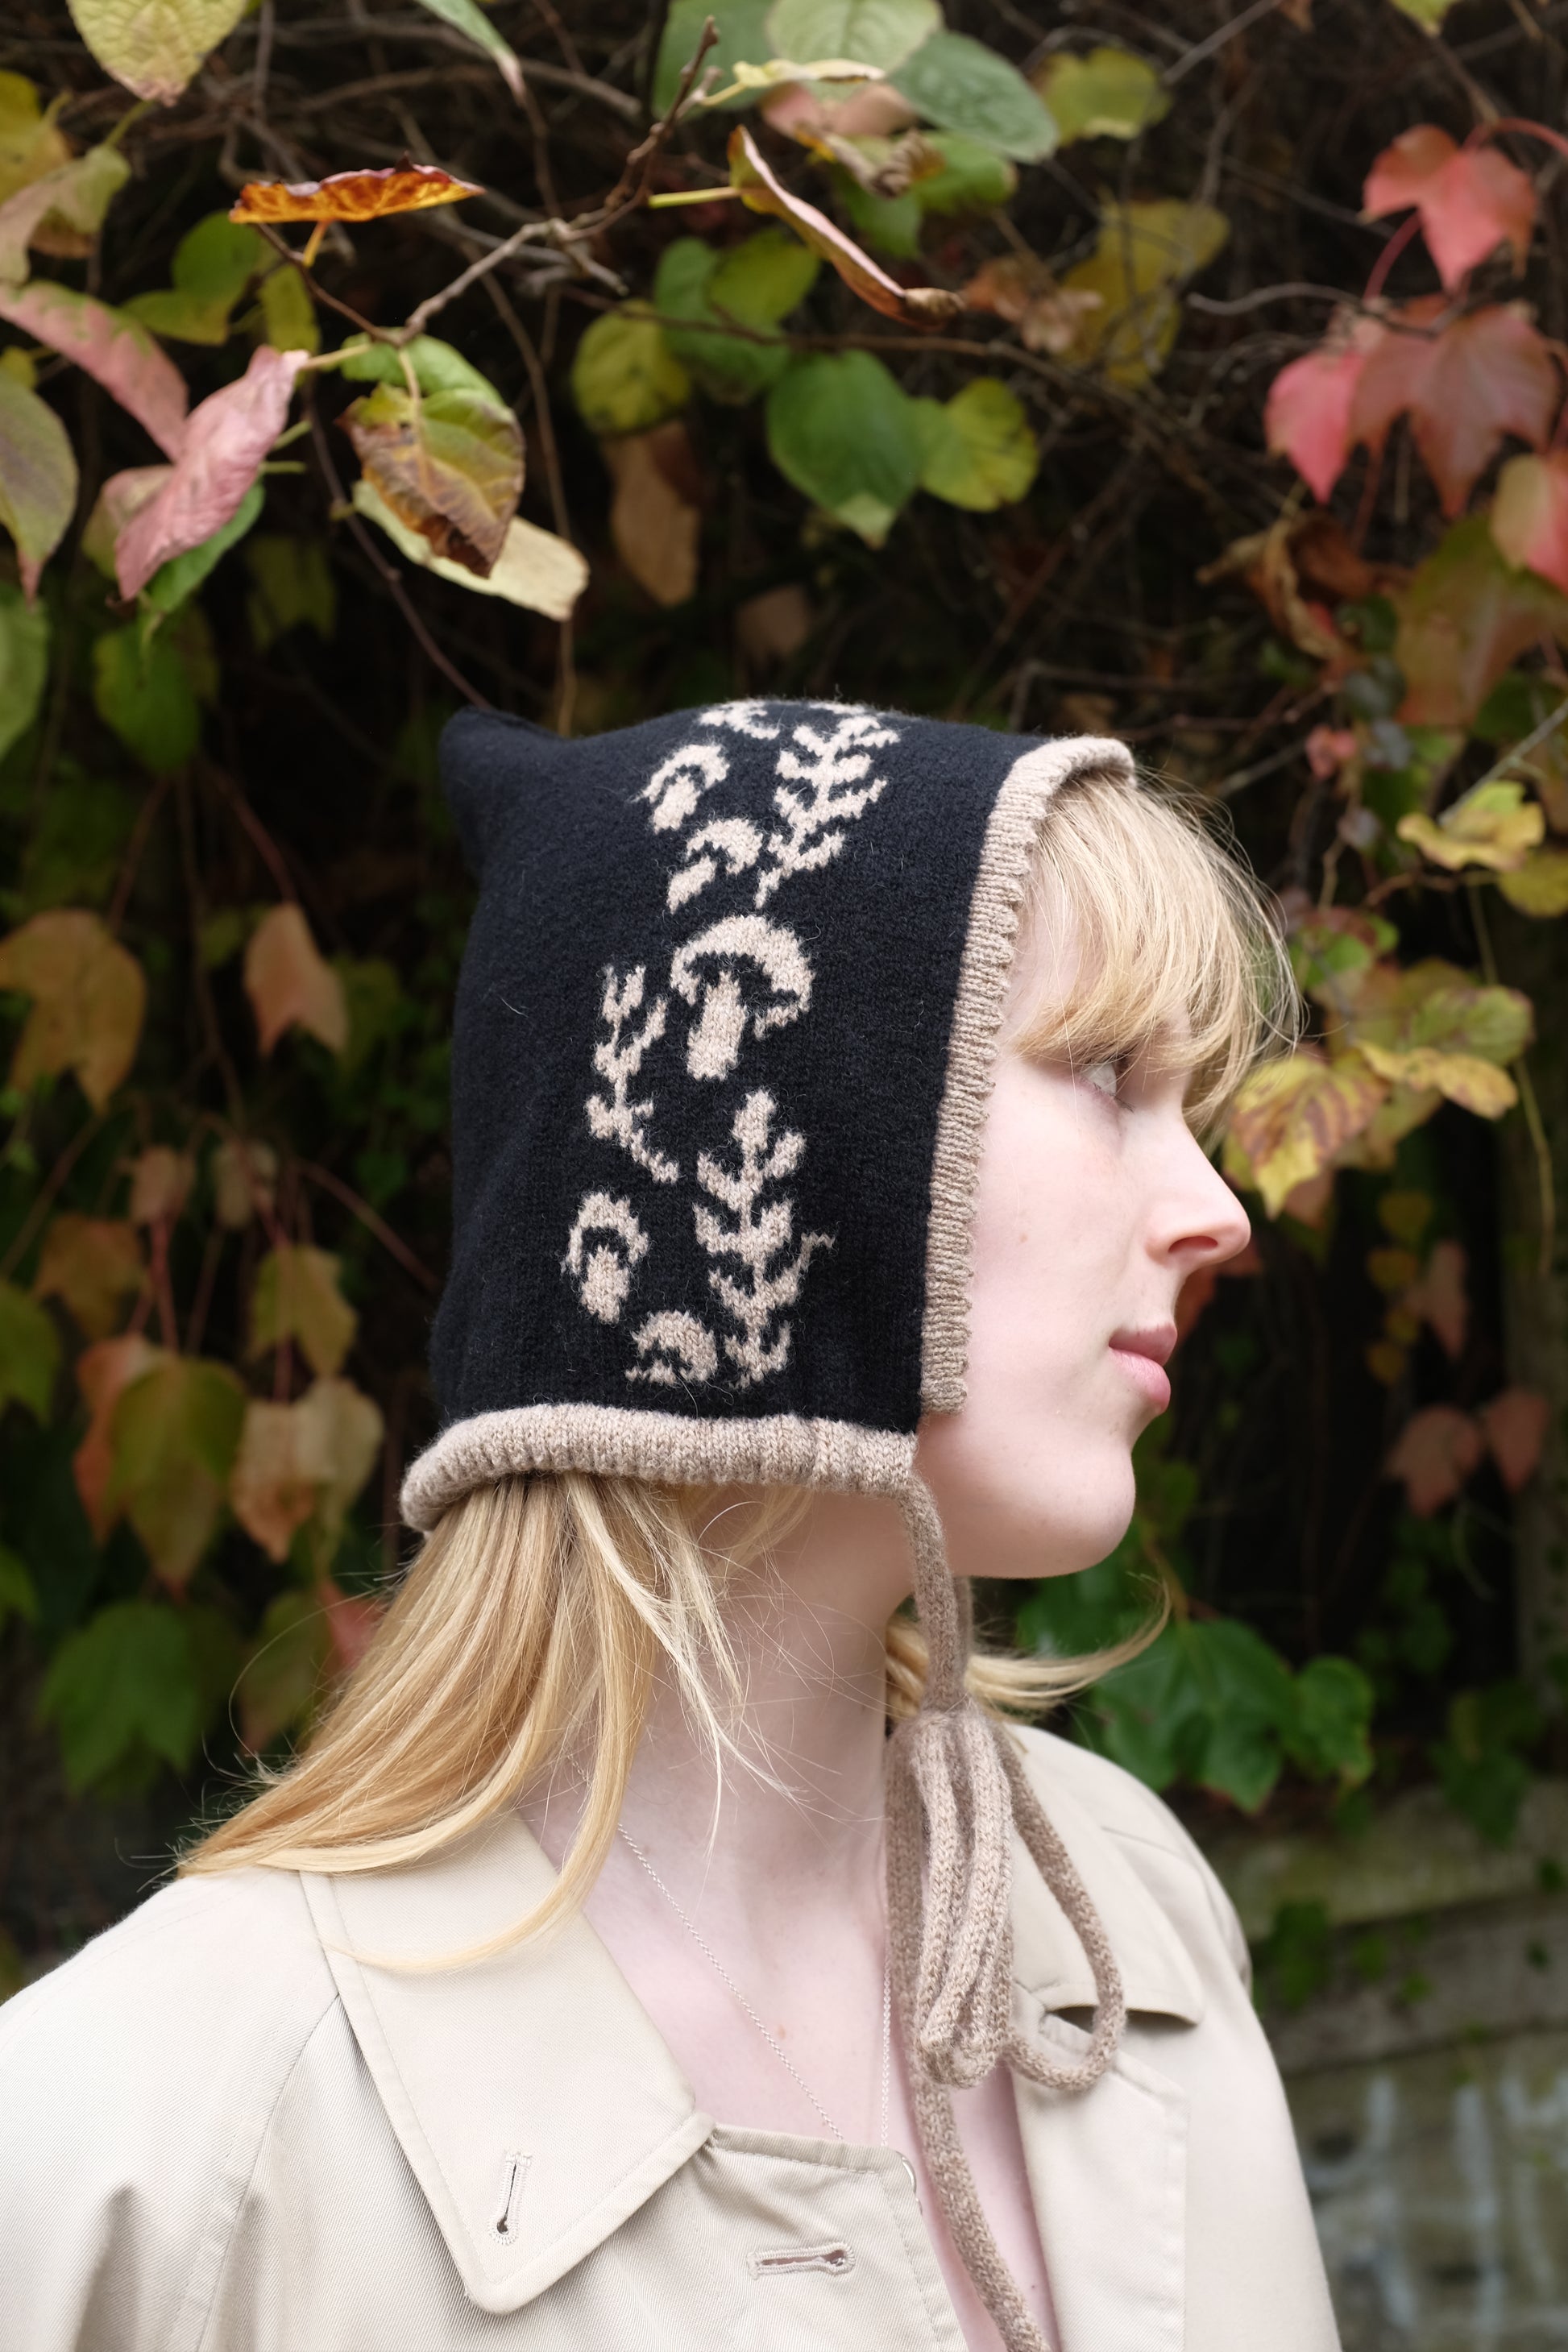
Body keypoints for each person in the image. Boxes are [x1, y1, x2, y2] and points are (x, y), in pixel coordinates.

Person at [0, 700, 1342, 2352]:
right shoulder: (144, 2140)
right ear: (774, 1127)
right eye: (1106, 1074)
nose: (1213, 1207)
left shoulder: (1129, 1912)